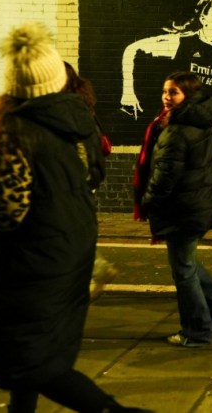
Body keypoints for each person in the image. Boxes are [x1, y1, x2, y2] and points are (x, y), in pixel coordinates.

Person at [0, 23, 150, 413]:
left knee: (29, 364)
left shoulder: (13, 131)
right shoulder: (77, 120)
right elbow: (89, 175)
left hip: (29, 264)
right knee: (40, 354)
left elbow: (7, 210)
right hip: (71, 250)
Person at [133, 72, 212, 348]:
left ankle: (198, 331)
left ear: (188, 96)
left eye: (174, 92)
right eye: (165, 91)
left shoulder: (177, 130)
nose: (167, 97)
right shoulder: (200, 122)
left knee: (183, 270)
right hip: (196, 204)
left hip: (182, 208)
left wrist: (148, 201)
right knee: (186, 263)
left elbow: (166, 175)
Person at [63, 61, 119, 301]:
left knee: (65, 229)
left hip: (73, 178)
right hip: (88, 176)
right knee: (73, 228)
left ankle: (92, 267)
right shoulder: (83, 103)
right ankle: (92, 267)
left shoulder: (65, 109)